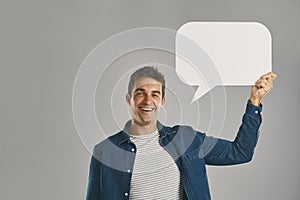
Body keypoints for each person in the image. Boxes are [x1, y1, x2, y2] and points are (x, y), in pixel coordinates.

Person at [86, 66, 277, 200]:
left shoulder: (185, 139)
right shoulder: (104, 151)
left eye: (155, 94)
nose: (147, 100)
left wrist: (255, 102)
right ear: (129, 99)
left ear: (163, 101)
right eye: (140, 92)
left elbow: (240, 152)